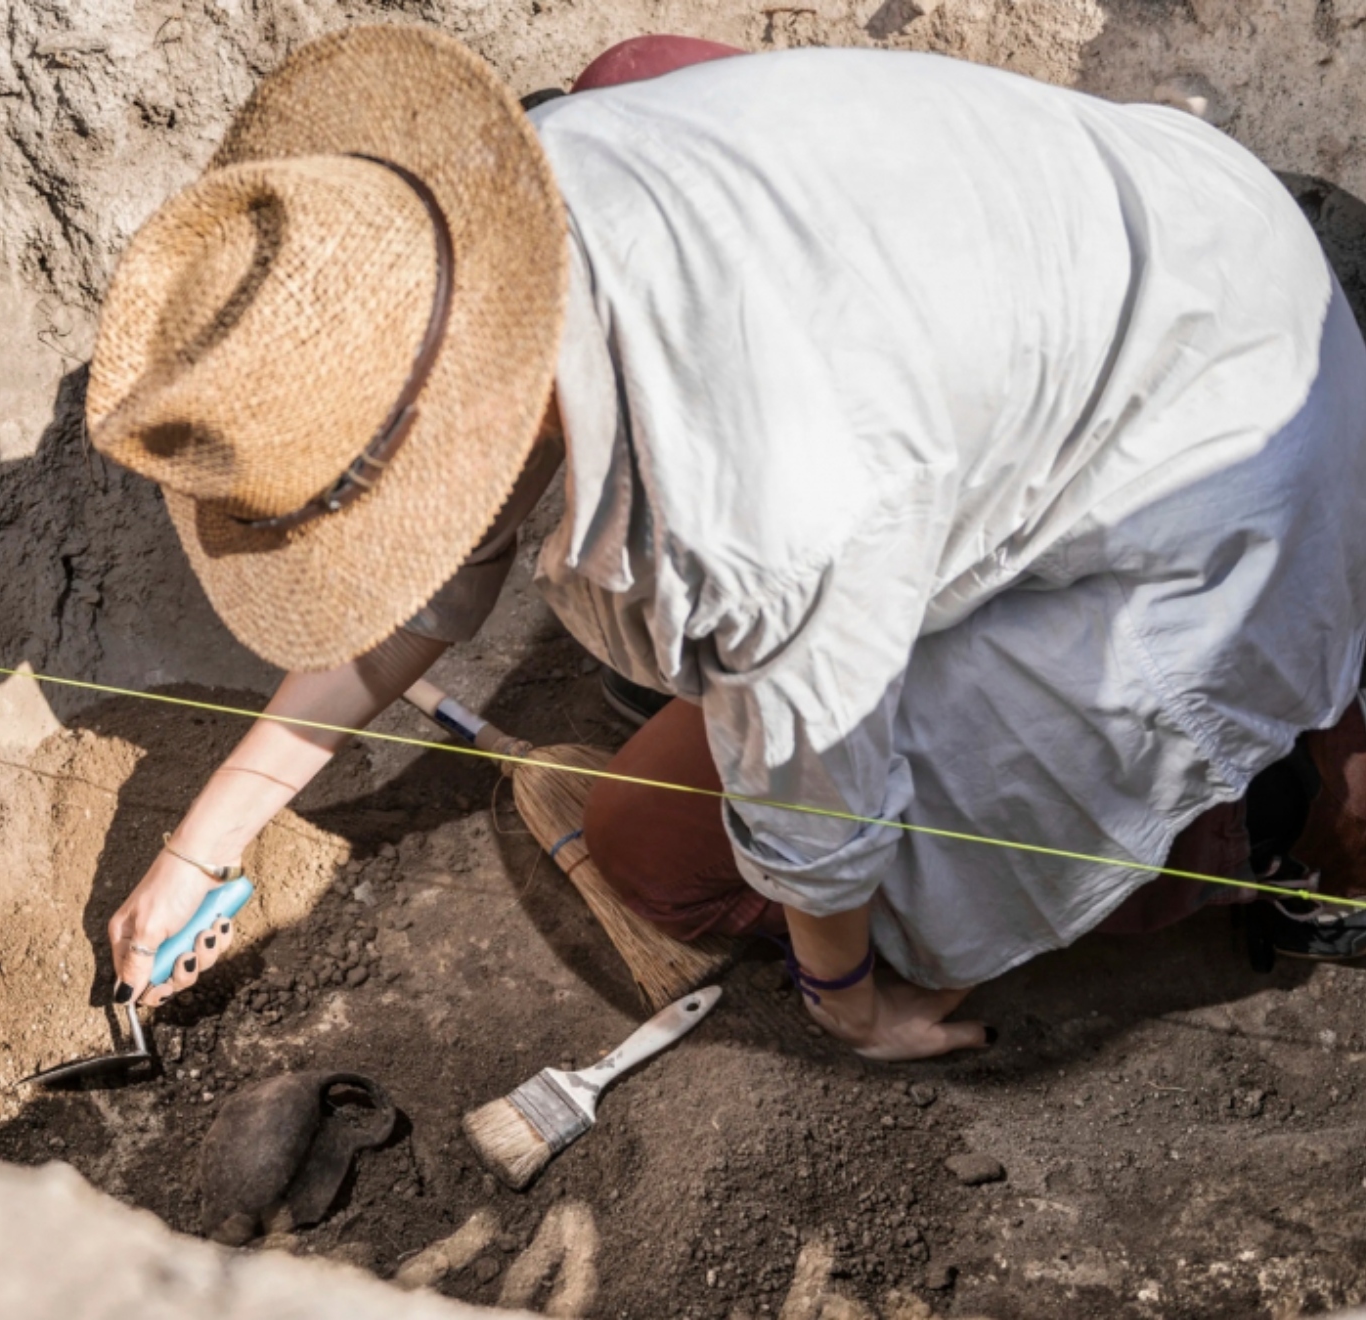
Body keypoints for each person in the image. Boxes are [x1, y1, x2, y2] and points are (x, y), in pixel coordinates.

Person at [79, 28, 1366, 1062]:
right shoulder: (512, 201)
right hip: (1147, 229)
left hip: (1222, 481)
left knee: (660, 855)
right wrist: (205, 844)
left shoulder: (755, 520)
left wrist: (853, 1004)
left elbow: (819, 813)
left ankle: (1281, 810)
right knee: (641, 76)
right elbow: (428, 589)